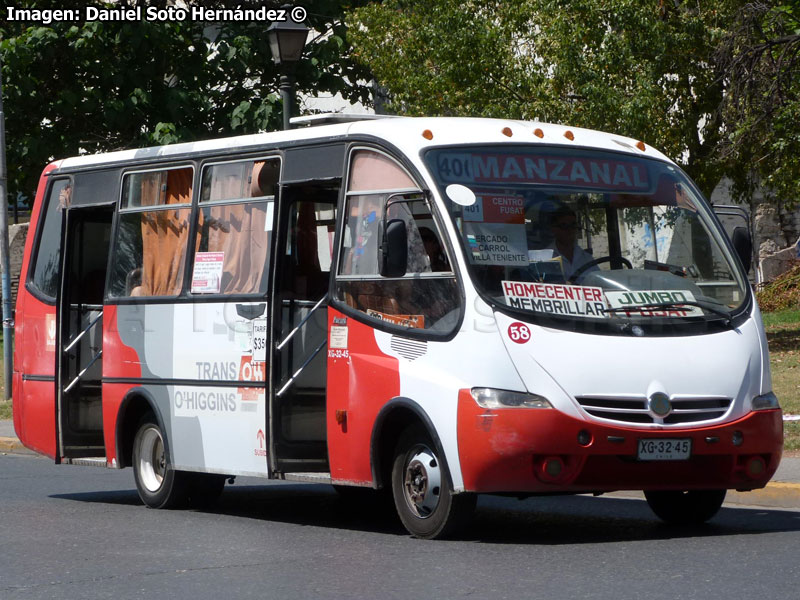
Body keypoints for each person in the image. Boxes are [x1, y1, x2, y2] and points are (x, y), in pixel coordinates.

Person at [547, 204, 596, 280]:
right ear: (554, 229)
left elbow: (599, 283)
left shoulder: (586, 258)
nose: (570, 230)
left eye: (573, 225)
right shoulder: (546, 258)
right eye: (564, 226)